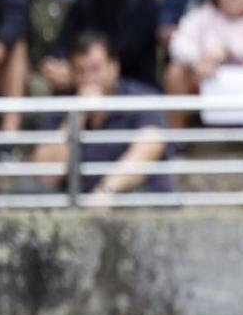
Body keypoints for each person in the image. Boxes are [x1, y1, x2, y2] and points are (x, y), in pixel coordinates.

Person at [28, 32, 171, 201]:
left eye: (95, 70)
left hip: (134, 199)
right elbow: (46, 176)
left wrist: (106, 191)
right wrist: (78, 114)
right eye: (80, 71)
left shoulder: (142, 99)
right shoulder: (63, 106)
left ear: (114, 67)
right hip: (81, 205)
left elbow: (148, 149)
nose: (89, 79)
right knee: (26, 192)